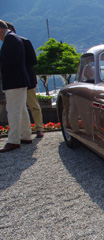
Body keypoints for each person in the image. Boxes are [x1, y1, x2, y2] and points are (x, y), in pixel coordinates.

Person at [7, 22, 44, 138]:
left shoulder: (24, 41)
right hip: (17, 80)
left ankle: (39, 128)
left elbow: (33, 60)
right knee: (21, 107)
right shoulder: (9, 43)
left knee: (33, 105)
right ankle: (26, 131)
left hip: (27, 78)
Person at [0, 19, 32, 152]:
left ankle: (13, 140)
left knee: (13, 111)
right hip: (19, 80)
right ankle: (25, 135)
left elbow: (11, 60)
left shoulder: (10, 39)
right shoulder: (14, 38)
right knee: (21, 109)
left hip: (14, 81)